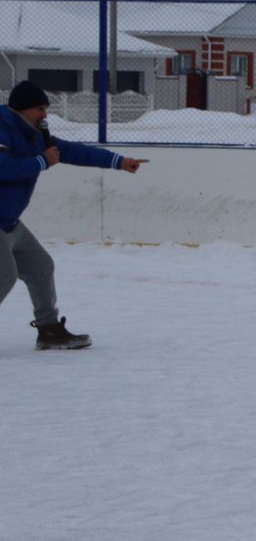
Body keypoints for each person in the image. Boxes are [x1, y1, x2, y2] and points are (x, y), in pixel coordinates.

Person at [2, 80, 147, 350]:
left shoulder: (34, 134)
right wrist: (42, 161)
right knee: (4, 276)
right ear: (21, 110)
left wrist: (118, 162)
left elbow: (70, 151)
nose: (44, 115)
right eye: (39, 109)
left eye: (45, 108)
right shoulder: (3, 129)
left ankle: (49, 332)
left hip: (9, 223)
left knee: (40, 267)